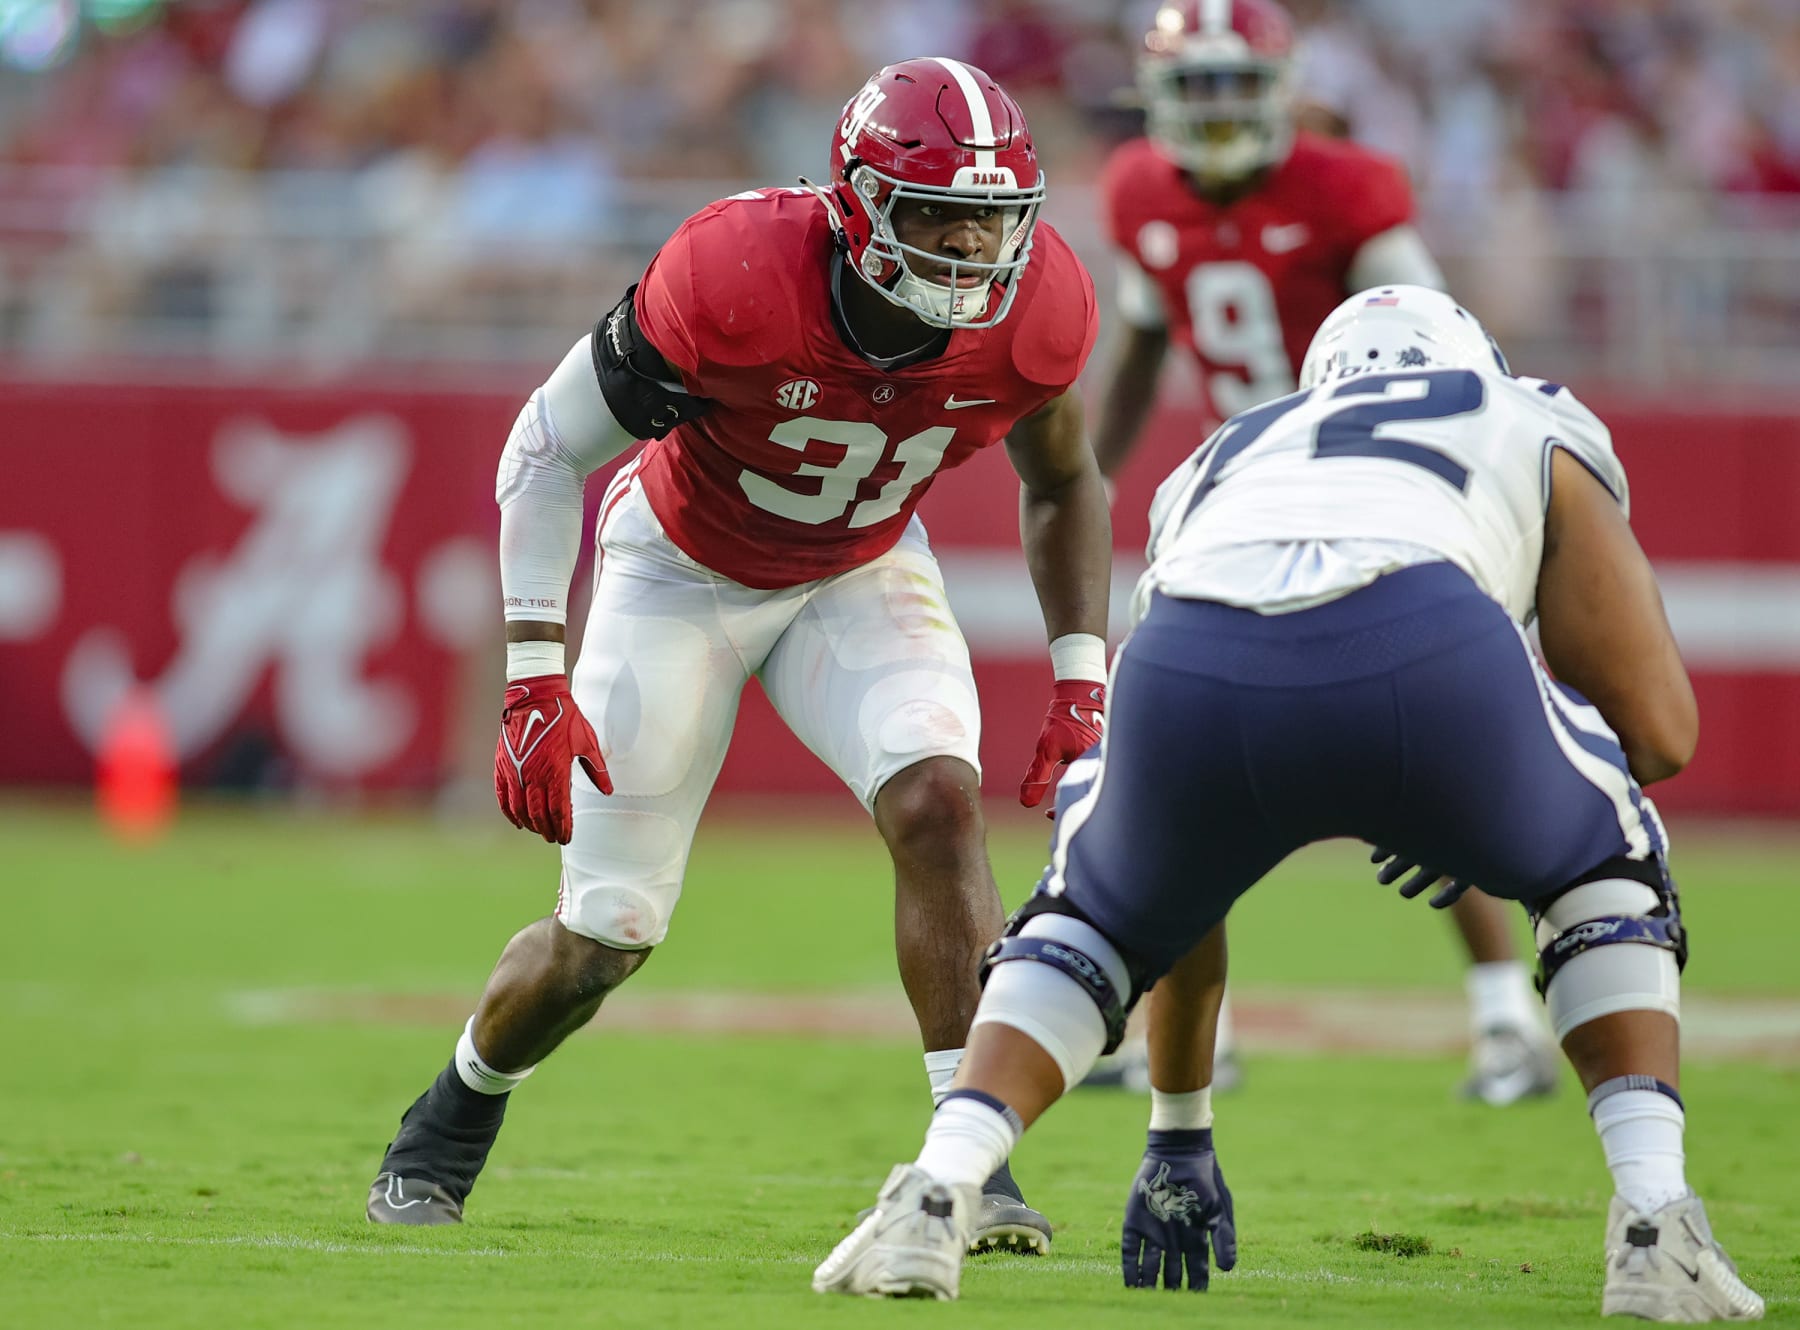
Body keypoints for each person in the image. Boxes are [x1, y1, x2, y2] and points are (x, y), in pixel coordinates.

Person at [813, 285, 1766, 1323]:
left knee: (1093, 915)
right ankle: (1654, 1219)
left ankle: (938, 1186)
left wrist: (1179, 1134)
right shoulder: (1523, 410)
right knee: (1610, 854)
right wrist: (1491, 802)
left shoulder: (1227, 452)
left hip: (1187, 651)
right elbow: (1663, 732)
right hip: (1428, 638)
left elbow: (1189, 898)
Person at [364, 57, 1112, 1257]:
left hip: (858, 568)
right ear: (859, 202)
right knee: (603, 934)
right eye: (938, 213)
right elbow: (546, 450)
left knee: (938, 798)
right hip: (681, 571)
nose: (973, 245)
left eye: (994, 213)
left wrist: (1085, 671)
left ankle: (970, 1159)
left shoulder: (1043, 309)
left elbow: (1066, 477)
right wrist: (531, 672)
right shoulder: (734, 274)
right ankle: (452, 1110)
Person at [1081, 0, 1556, 1105]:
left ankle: (1506, 1019)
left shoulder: (1348, 191)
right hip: (1237, 495)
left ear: (1283, 84)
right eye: (1190, 87)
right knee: (1180, 753)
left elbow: (1445, 346)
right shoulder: (1143, 192)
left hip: (1371, 493)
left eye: (1230, 83)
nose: (1212, 109)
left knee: (1420, 746)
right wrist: (1090, 474)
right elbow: (1148, 334)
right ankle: (1203, 1030)